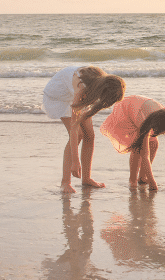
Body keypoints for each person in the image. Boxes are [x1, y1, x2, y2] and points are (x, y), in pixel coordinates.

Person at [42, 65, 126, 193]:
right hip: (58, 96)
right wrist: (75, 162)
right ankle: (65, 182)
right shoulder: (82, 88)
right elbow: (74, 128)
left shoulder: (100, 82)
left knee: (89, 135)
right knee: (79, 134)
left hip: (74, 92)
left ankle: (86, 178)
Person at [100, 95, 165, 191]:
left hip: (141, 108)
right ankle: (132, 179)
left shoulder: (164, 115)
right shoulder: (143, 121)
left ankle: (142, 177)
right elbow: (145, 155)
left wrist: (150, 180)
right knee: (138, 147)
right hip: (128, 109)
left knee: (154, 143)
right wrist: (152, 182)